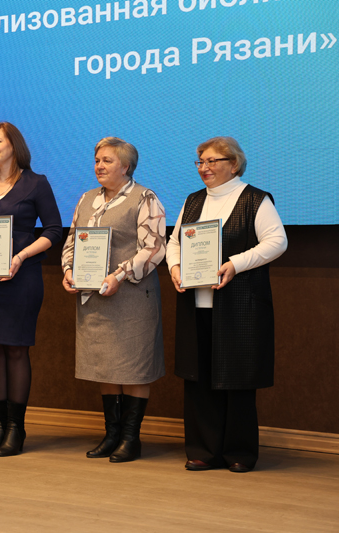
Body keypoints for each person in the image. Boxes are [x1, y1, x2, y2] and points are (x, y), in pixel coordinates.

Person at [166, 136, 287, 473]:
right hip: (196, 305)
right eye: (200, 162)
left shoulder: (254, 199)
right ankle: (203, 450)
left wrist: (235, 264)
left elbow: (277, 241)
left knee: (237, 380)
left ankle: (239, 452)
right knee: (199, 380)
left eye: (212, 161)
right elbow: (173, 243)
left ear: (233, 164)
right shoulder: (193, 201)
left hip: (239, 308)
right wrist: (175, 267)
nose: (204, 168)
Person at [0, 122, 62, 457]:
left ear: (14, 145)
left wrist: (20, 256)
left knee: (16, 350)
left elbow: (53, 230)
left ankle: (16, 429)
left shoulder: (36, 183)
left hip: (21, 279)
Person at [61, 137, 166, 463]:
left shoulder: (145, 198)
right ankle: (111, 435)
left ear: (126, 166)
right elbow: (72, 240)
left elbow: (154, 248)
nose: (99, 166)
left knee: (133, 369)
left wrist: (119, 275)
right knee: (106, 367)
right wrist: (68, 270)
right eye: (97, 161)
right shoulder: (87, 198)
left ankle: (130, 439)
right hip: (95, 300)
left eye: (107, 161)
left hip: (131, 298)